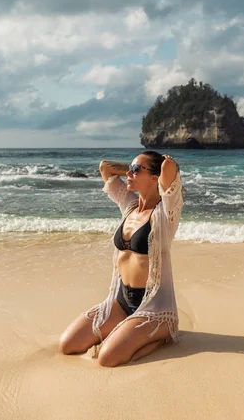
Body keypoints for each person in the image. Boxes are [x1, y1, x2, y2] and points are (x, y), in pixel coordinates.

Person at [58, 151, 184, 367]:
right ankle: (126, 331)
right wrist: (135, 167)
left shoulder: (165, 214)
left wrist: (165, 163)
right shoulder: (129, 206)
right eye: (130, 169)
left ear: (155, 179)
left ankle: (160, 337)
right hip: (121, 302)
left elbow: (170, 177)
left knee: (107, 358)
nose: (128, 174)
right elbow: (105, 167)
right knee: (67, 345)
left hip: (153, 308)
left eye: (135, 170)